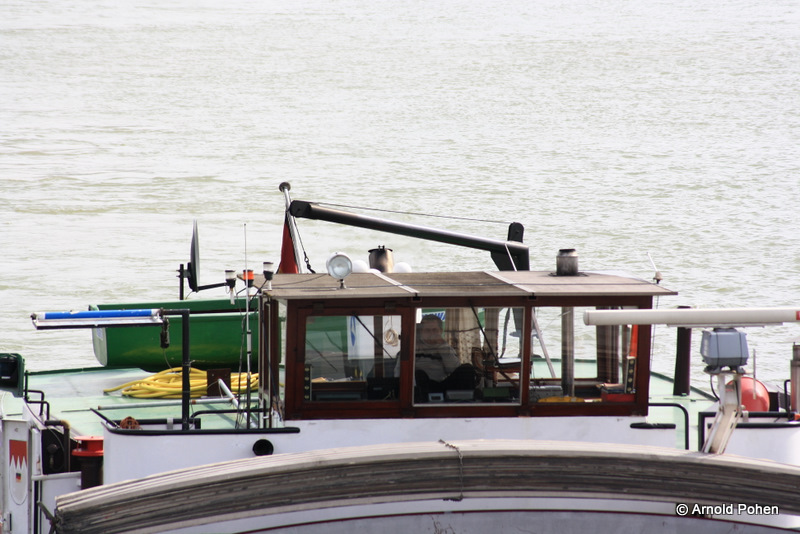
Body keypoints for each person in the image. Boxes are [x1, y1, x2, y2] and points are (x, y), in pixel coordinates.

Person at [415, 314, 478, 396]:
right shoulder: (413, 347)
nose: (431, 333)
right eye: (427, 330)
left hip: (443, 385)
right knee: (419, 374)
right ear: (421, 331)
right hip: (423, 387)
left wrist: (441, 346)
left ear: (441, 331)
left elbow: (454, 369)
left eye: (434, 330)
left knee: (467, 369)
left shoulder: (445, 347)